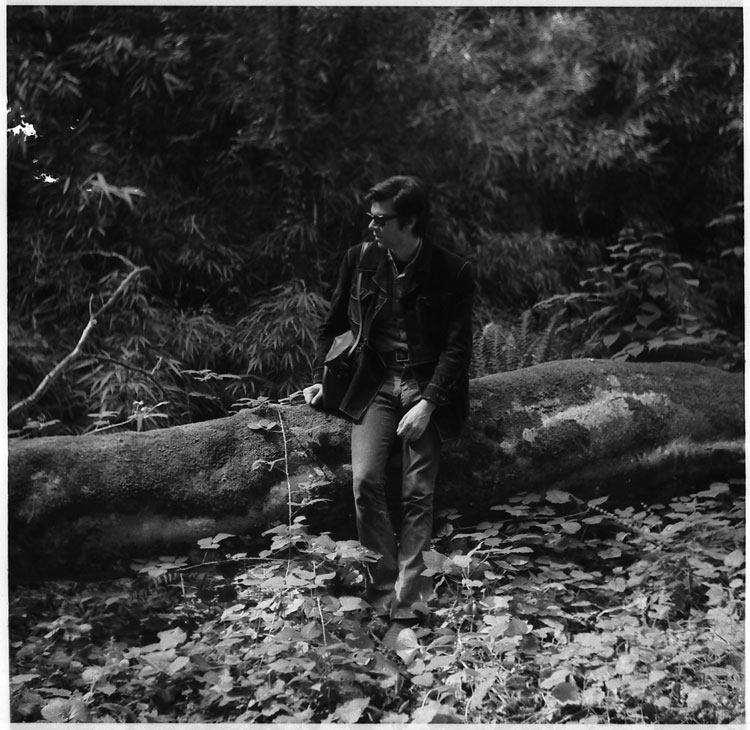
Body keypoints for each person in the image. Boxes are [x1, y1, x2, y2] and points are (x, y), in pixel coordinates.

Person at [303, 175, 474, 637]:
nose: (372, 226)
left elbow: (458, 350)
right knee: (364, 481)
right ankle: (381, 594)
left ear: (411, 221)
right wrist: (326, 381)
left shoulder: (453, 270)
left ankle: (410, 603)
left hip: (425, 386)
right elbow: (333, 325)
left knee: (418, 493)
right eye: (370, 217)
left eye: (382, 219)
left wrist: (429, 406)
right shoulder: (360, 260)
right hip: (374, 383)